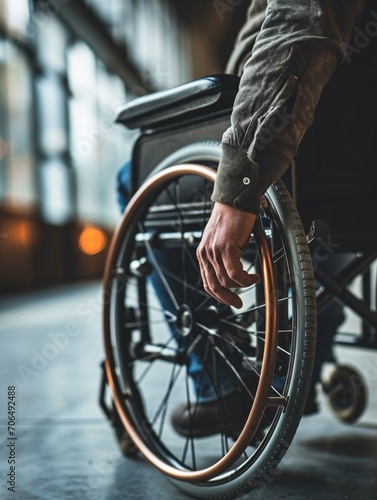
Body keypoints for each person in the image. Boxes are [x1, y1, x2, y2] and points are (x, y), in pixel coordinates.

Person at [118, 0, 370, 437]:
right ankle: (299, 373)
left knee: (135, 179)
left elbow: (299, 22)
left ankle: (220, 386)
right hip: (359, 166)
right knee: (327, 217)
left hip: (302, 152)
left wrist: (238, 186)